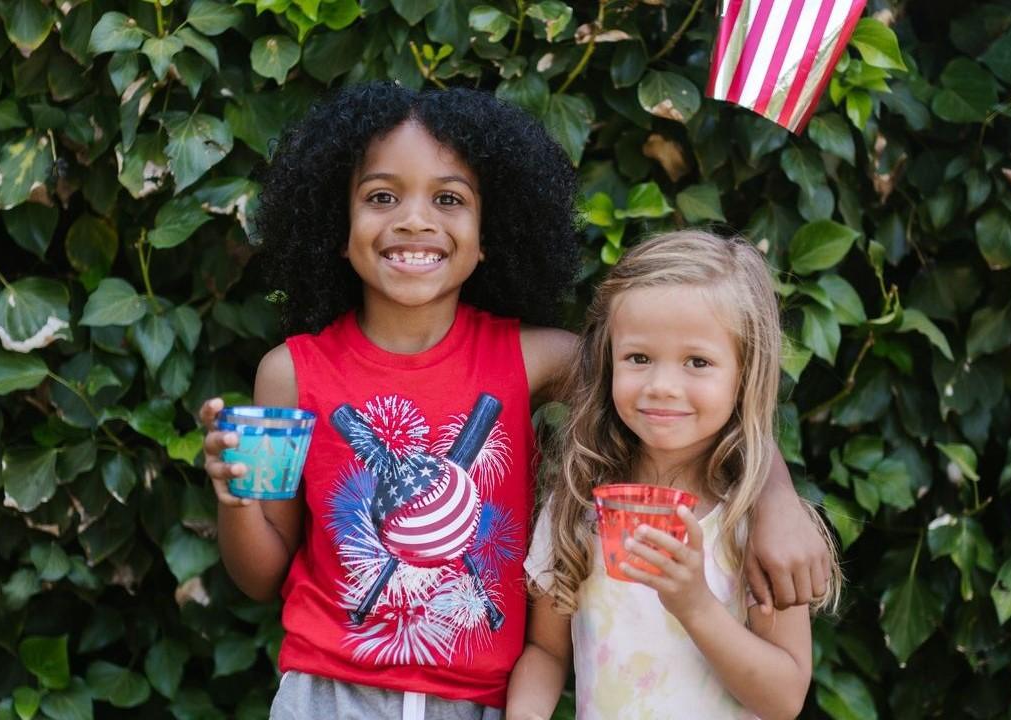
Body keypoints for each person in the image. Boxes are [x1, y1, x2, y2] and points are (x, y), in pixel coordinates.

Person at [198, 83, 831, 719]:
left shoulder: (534, 359)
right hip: (327, 698)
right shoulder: (290, 375)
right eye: (381, 197)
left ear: (487, 234)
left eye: (449, 199)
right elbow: (261, 579)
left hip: (479, 704)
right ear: (337, 226)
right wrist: (234, 499)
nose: (414, 220)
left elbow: (672, 402)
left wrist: (775, 499)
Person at [506, 230, 843, 720]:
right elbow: (547, 651)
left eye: (698, 362)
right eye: (639, 358)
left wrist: (695, 605)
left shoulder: (754, 523)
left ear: (743, 375)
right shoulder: (577, 503)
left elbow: (784, 697)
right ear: (608, 361)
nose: (663, 386)